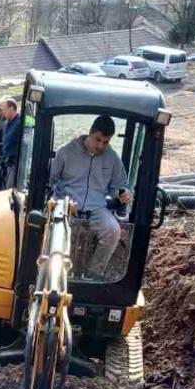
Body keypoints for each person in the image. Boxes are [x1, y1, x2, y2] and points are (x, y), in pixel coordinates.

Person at [48, 114, 131, 279]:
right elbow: (50, 180)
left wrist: (125, 194)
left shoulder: (112, 158)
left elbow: (121, 186)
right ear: (90, 132)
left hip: (96, 209)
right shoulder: (66, 151)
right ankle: (55, 273)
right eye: (97, 139)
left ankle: (93, 274)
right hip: (66, 206)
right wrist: (53, 200)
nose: (100, 145)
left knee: (113, 230)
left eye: (106, 142)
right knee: (54, 232)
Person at [0, 98, 22, 189]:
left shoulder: (21, 122)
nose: (2, 112)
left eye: (4, 109)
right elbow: (5, 142)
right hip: (7, 162)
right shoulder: (5, 124)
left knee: (11, 187)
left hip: (17, 162)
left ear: (11, 108)